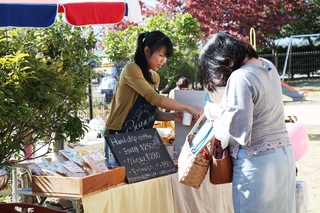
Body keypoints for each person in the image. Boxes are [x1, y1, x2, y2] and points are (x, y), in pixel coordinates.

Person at [198, 32, 296, 212]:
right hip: (283, 157)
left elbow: (239, 129)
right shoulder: (267, 65)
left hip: (257, 163)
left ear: (221, 61)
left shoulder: (240, 77)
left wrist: (215, 111)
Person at [103, 30, 202, 161]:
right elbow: (153, 98)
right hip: (119, 137)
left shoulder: (155, 77)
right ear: (147, 50)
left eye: (165, 57)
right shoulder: (131, 69)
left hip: (142, 138)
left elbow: (150, 112)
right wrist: (188, 108)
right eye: (161, 55)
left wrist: (172, 116)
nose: (163, 61)